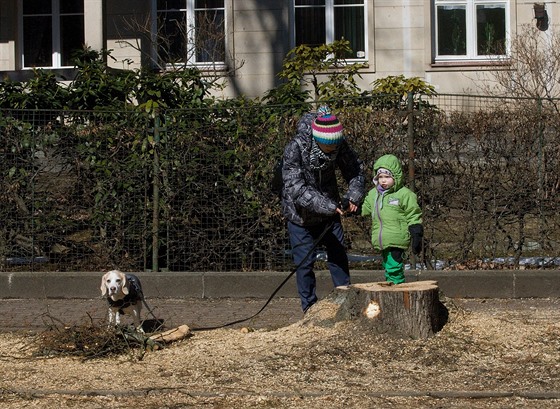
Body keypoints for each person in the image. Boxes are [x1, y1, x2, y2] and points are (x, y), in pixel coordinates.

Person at [281, 106, 365, 313]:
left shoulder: (337, 143)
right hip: (300, 216)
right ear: (318, 140)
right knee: (304, 264)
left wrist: (353, 196)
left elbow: (355, 170)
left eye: (337, 145)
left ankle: (346, 304)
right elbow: (295, 188)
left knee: (338, 258)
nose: (334, 150)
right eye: (330, 147)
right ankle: (309, 308)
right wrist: (328, 205)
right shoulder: (295, 148)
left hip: (330, 213)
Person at [361, 154, 423, 284]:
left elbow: (413, 214)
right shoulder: (374, 195)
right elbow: (364, 208)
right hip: (382, 239)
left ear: (396, 177)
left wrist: (416, 232)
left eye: (387, 177)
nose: (383, 180)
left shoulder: (404, 194)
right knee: (388, 266)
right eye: (380, 177)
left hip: (397, 238)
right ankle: (392, 286)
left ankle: (397, 287)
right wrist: (350, 206)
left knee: (394, 266)